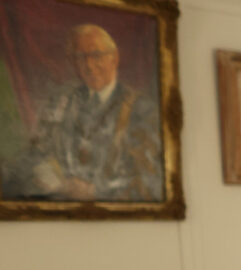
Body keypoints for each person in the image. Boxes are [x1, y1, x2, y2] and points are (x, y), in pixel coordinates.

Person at [2, 24, 162, 202]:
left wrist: (95, 192)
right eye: (80, 58)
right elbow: (34, 155)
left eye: (96, 55)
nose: (89, 65)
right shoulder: (61, 102)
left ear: (114, 58)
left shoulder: (142, 110)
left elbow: (150, 182)